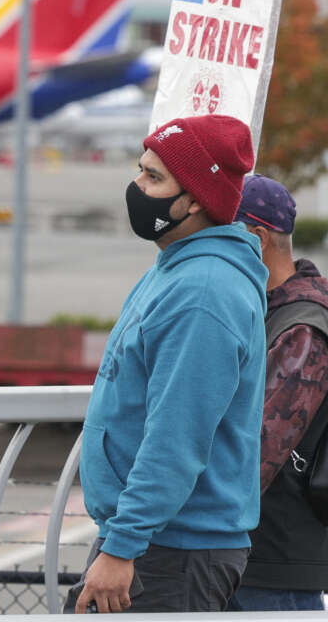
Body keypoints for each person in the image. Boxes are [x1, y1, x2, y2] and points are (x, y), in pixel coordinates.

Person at [67, 115, 268, 614]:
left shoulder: (202, 292)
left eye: (154, 178)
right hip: (149, 542)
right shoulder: (175, 269)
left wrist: (122, 546)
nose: (136, 187)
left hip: (171, 550)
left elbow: (176, 437)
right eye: (141, 170)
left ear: (197, 198)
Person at [227, 175, 328, 612]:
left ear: (255, 238)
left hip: (272, 564)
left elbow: (258, 450)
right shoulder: (269, 308)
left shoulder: (301, 329)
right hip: (257, 554)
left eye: (221, 232)